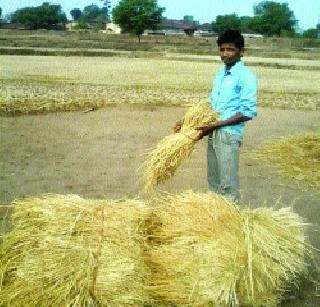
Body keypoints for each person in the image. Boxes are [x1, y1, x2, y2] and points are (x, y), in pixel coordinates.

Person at [174, 30, 257, 203]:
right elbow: (211, 104)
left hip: (228, 134)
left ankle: (232, 222)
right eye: (222, 50)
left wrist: (216, 125)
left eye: (231, 49)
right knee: (213, 180)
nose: (225, 54)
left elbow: (247, 112)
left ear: (241, 51)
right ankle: (215, 220)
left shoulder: (246, 77)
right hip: (214, 132)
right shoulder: (221, 73)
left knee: (227, 184)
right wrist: (186, 121)